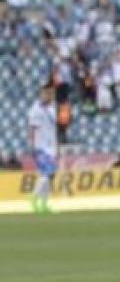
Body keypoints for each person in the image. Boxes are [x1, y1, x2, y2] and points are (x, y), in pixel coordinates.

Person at [27, 83, 58, 214]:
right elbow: (32, 129)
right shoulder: (35, 109)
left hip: (51, 147)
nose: (51, 96)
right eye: (48, 93)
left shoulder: (52, 108)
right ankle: (33, 197)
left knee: (51, 175)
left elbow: (53, 129)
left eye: (52, 93)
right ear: (42, 94)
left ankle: (44, 204)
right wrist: (32, 147)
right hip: (40, 147)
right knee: (47, 172)